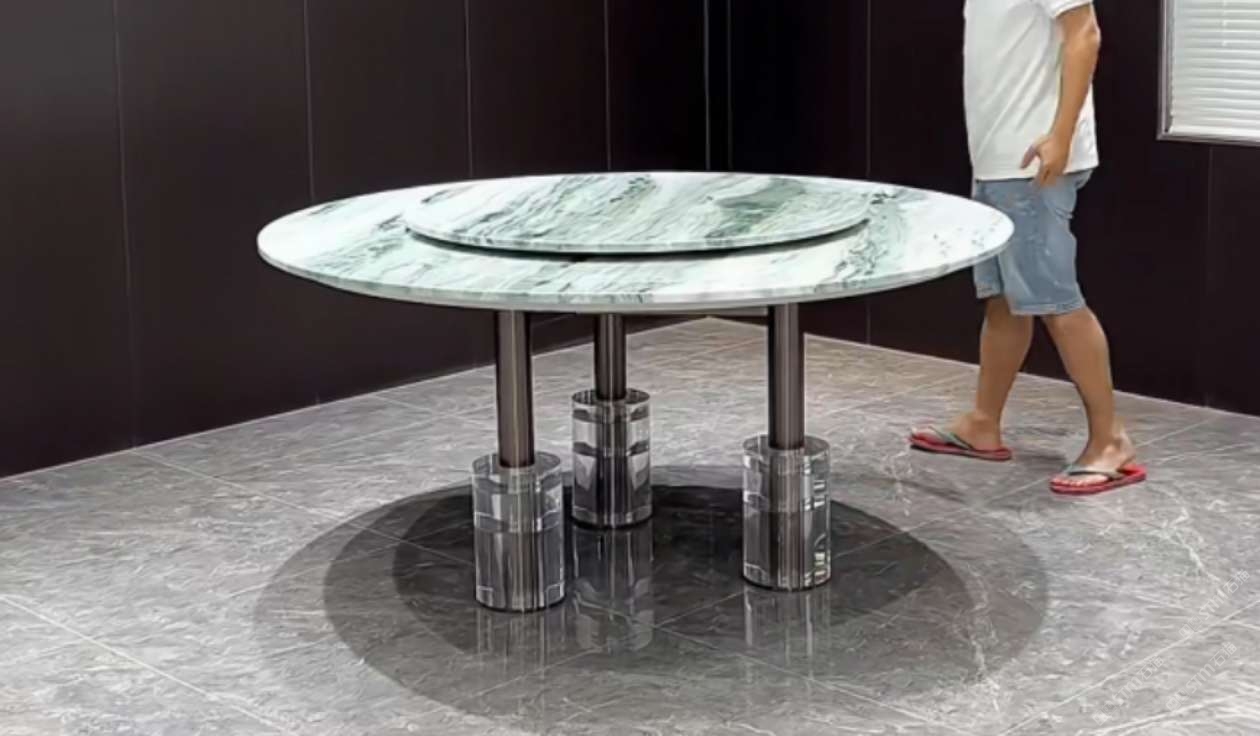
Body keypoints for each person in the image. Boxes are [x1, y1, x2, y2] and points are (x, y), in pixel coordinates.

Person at [909, 0, 1146, 495]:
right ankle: (983, 423)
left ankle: (1110, 440)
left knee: (1057, 303)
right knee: (1002, 300)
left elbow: (1084, 34)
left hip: (1032, 164)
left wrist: (1060, 136)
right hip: (999, 162)